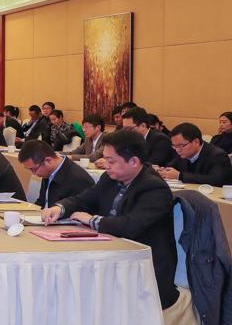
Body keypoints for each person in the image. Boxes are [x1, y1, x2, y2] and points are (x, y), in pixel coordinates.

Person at [42, 130, 178, 309]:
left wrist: (92, 220)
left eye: (111, 161)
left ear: (134, 161)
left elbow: (131, 225)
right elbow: (84, 199)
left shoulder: (154, 188)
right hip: (112, 255)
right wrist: (60, 208)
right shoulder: (109, 178)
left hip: (142, 269)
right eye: (105, 159)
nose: (105, 165)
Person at [18, 140, 94, 208]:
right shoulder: (48, 171)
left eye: (34, 169)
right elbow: (42, 202)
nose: (34, 174)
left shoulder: (78, 180)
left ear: (48, 160)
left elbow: (76, 213)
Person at [156, 122, 232, 186]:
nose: (177, 150)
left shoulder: (217, 155)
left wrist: (179, 176)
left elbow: (216, 180)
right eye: (174, 146)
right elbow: (172, 166)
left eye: (181, 145)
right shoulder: (181, 153)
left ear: (196, 142)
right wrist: (162, 170)